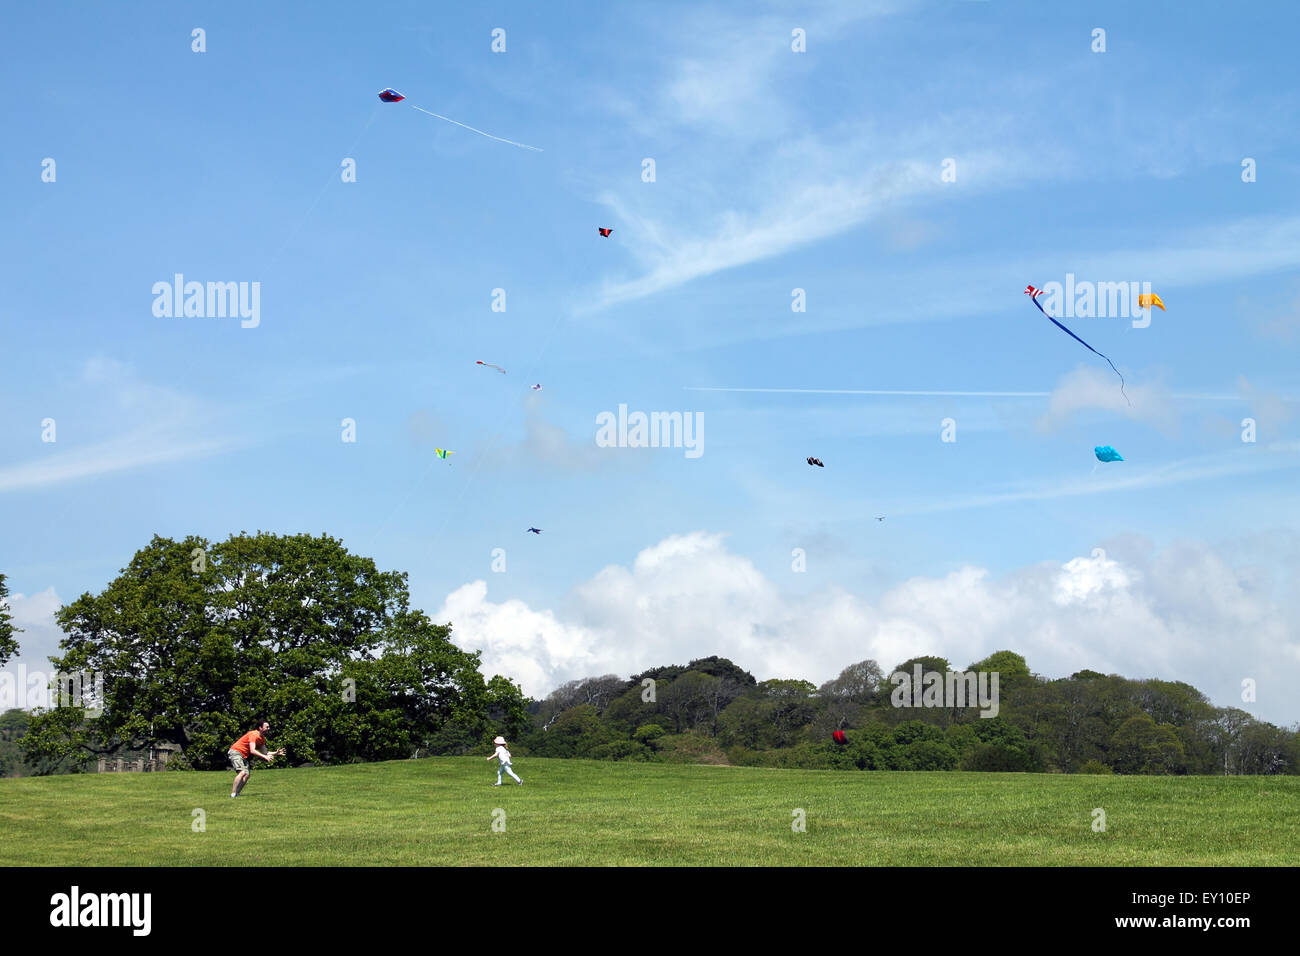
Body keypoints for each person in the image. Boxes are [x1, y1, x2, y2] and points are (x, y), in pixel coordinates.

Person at [227, 720, 285, 797]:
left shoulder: (262, 739)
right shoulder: (254, 735)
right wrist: (265, 757)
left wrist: (276, 753)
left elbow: (265, 752)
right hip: (236, 752)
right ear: (260, 728)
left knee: (247, 775)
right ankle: (233, 793)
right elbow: (252, 750)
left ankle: (237, 794)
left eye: (269, 727)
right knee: (242, 772)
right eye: (266, 727)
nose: (268, 728)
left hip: (243, 755)